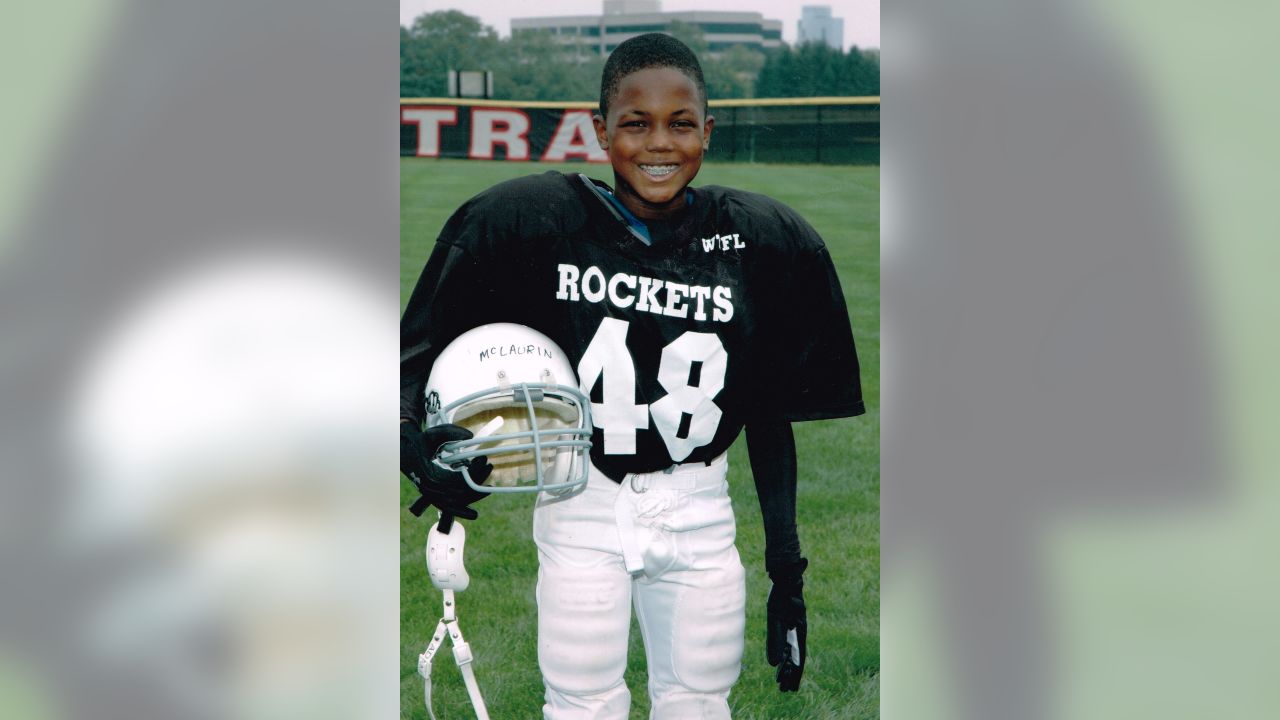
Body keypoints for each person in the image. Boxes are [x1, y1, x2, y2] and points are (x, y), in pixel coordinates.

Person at [400, 33, 864, 719]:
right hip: (581, 497)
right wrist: (412, 445)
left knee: (701, 701)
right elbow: (417, 353)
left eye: (680, 124)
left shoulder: (763, 242)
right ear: (599, 130)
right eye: (635, 123)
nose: (659, 144)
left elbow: (769, 415)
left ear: (708, 131)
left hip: (701, 504)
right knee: (582, 702)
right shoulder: (531, 222)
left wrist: (786, 574)